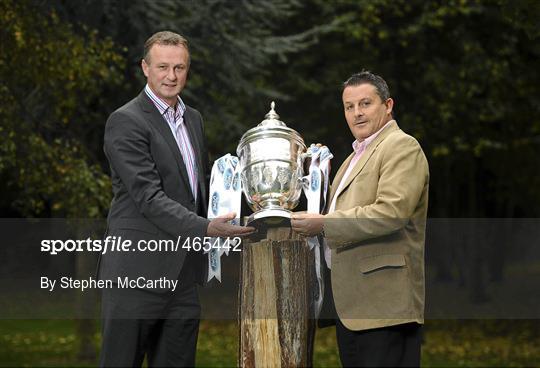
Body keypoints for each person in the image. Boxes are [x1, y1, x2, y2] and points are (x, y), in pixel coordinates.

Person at [97, 31, 253, 367]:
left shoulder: (193, 119)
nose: (171, 76)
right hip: (136, 273)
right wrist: (206, 228)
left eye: (180, 67)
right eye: (163, 67)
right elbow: (148, 197)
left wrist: (245, 204)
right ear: (145, 68)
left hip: (183, 277)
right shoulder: (126, 121)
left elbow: (197, 189)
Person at [291, 71, 429, 367]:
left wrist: (324, 224)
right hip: (353, 307)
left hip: (383, 306)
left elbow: (391, 213)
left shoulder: (401, 146)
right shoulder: (354, 157)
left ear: (388, 105)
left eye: (365, 103)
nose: (357, 113)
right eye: (349, 106)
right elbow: (337, 210)